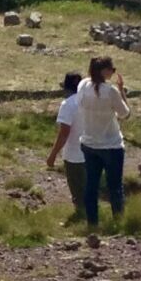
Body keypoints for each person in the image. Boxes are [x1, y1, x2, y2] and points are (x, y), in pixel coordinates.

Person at [78, 56, 130, 228]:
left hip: (89, 143)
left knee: (91, 185)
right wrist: (122, 90)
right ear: (104, 71)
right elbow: (125, 114)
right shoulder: (111, 91)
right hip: (111, 144)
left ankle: (92, 222)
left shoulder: (83, 85)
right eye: (111, 69)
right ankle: (119, 221)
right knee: (115, 186)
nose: (113, 72)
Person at [46, 71, 85, 220]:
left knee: (78, 191)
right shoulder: (90, 100)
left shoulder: (68, 104)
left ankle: (83, 218)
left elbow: (64, 133)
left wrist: (53, 154)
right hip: (94, 151)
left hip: (75, 155)